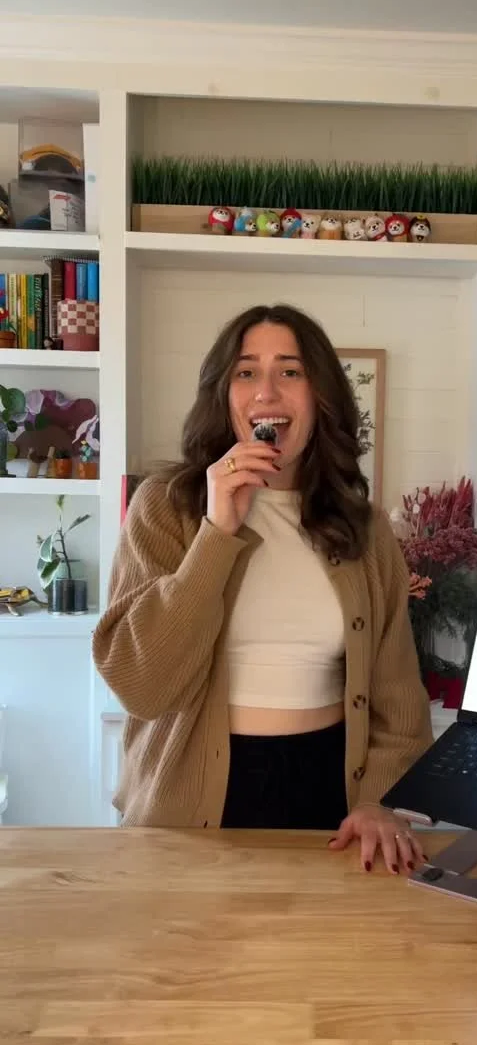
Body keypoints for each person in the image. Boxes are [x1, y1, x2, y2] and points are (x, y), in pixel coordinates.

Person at [92, 304, 432, 873]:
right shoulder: (165, 507)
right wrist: (217, 532)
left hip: (332, 801)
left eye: (290, 371)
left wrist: (378, 799)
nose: (267, 392)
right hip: (188, 805)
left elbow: (398, 699)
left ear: (320, 396)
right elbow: (142, 686)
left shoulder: (366, 530)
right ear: (222, 395)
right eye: (246, 372)